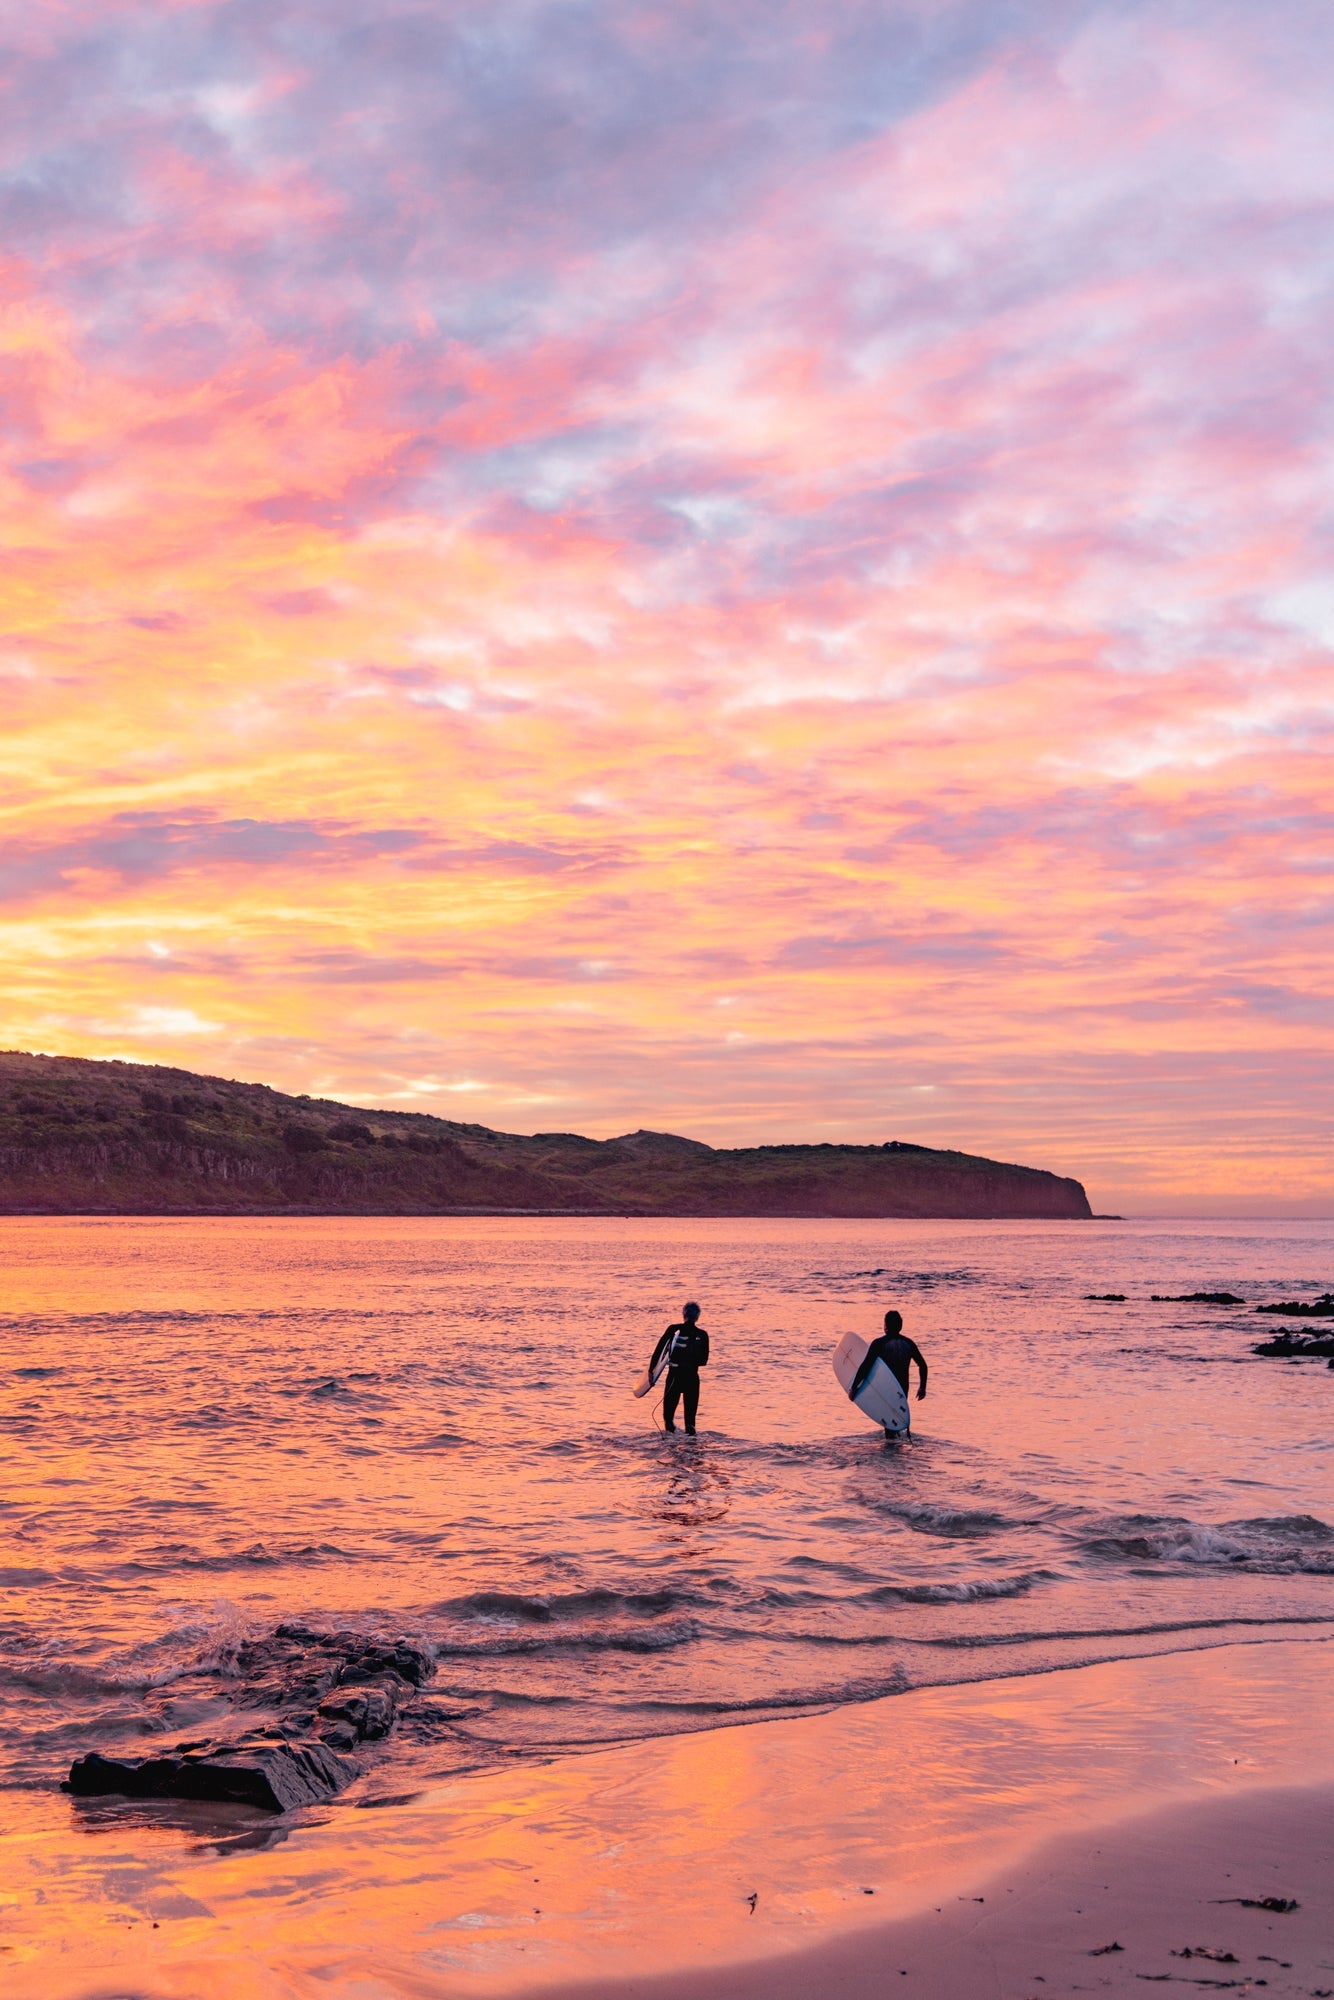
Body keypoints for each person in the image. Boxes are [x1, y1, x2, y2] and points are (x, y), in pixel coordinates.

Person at [849, 1309, 927, 1434]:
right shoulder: (908, 1344)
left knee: (889, 1425)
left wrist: (854, 1387)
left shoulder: (879, 1343)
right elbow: (923, 1365)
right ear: (901, 1325)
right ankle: (897, 1448)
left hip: (885, 1389)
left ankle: (891, 1450)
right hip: (902, 1390)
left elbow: (866, 1366)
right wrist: (922, 1387)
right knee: (896, 1420)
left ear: (885, 1326)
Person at [648, 1301, 710, 1434]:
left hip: (674, 1378)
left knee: (668, 1419)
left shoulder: (673, 1329)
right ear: (698, 1317)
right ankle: (692, 1450)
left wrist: (651, 1371)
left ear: (683, 1314)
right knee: (690, 1422)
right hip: (692, 1379)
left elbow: (659, 1351)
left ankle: (671, 1448)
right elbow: (703, 1361)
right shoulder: (703, 1335)